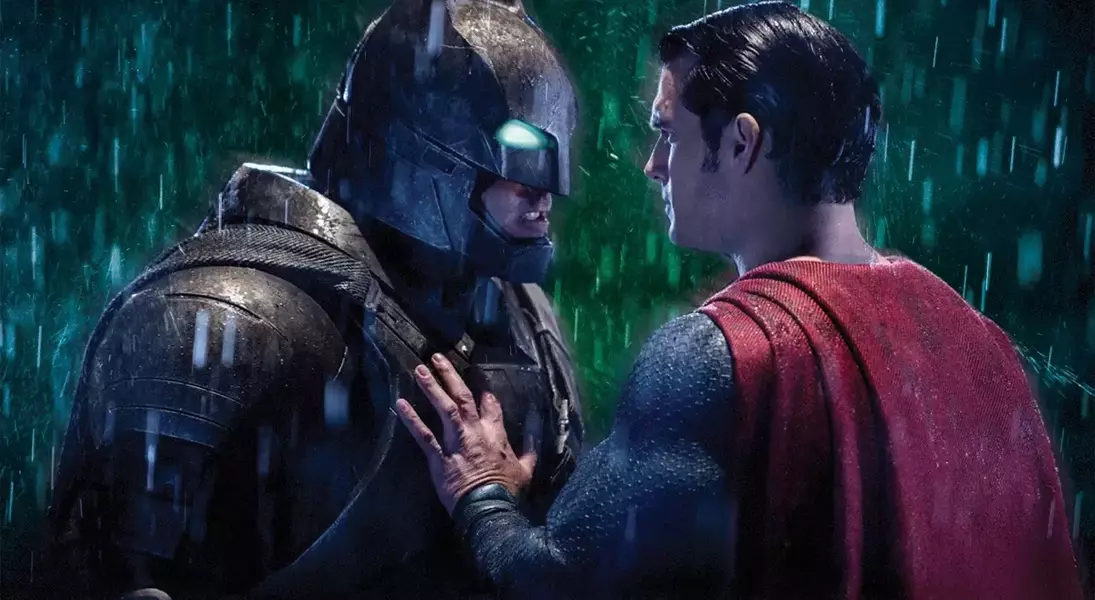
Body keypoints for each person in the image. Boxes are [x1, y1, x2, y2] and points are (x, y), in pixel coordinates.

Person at [394, 2, 1085, 599]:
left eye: (668, 133)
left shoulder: (724, 353)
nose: (652, 166)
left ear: (740, 142)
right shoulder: (979, 342)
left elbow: (554, 582)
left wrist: (482, 493)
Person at [45, 0, 585, 598]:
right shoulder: (224, 319)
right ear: (425, 149)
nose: (544, 194)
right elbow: (111, 577)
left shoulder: (521, 318)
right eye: (518, 154)